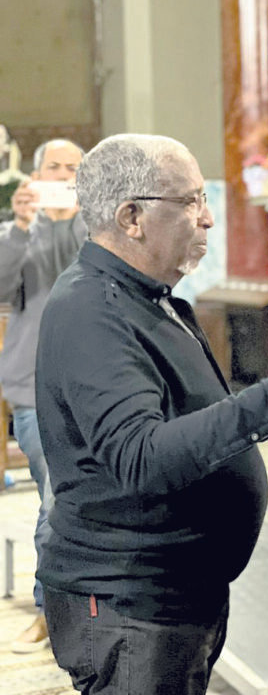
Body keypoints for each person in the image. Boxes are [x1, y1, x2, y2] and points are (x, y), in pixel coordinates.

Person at [34, 133, 268, 694]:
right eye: (192, 201)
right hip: (130, 602)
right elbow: (142, 457)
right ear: (132, 216)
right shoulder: (91, 310)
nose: (208, 220)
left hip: (171, 596)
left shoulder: (146, 297)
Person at [0, 138, 84, 653]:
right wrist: (27, 226)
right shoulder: (16, 232)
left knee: (80, 499)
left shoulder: (94, 226)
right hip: (34, 386)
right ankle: (49, 612)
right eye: (54, 167)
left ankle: (82, 606)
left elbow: (84, 273)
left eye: (73, 168)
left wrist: (70, 218)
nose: (62, 175)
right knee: (54, 498)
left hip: (90, 384)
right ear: (35, 175)